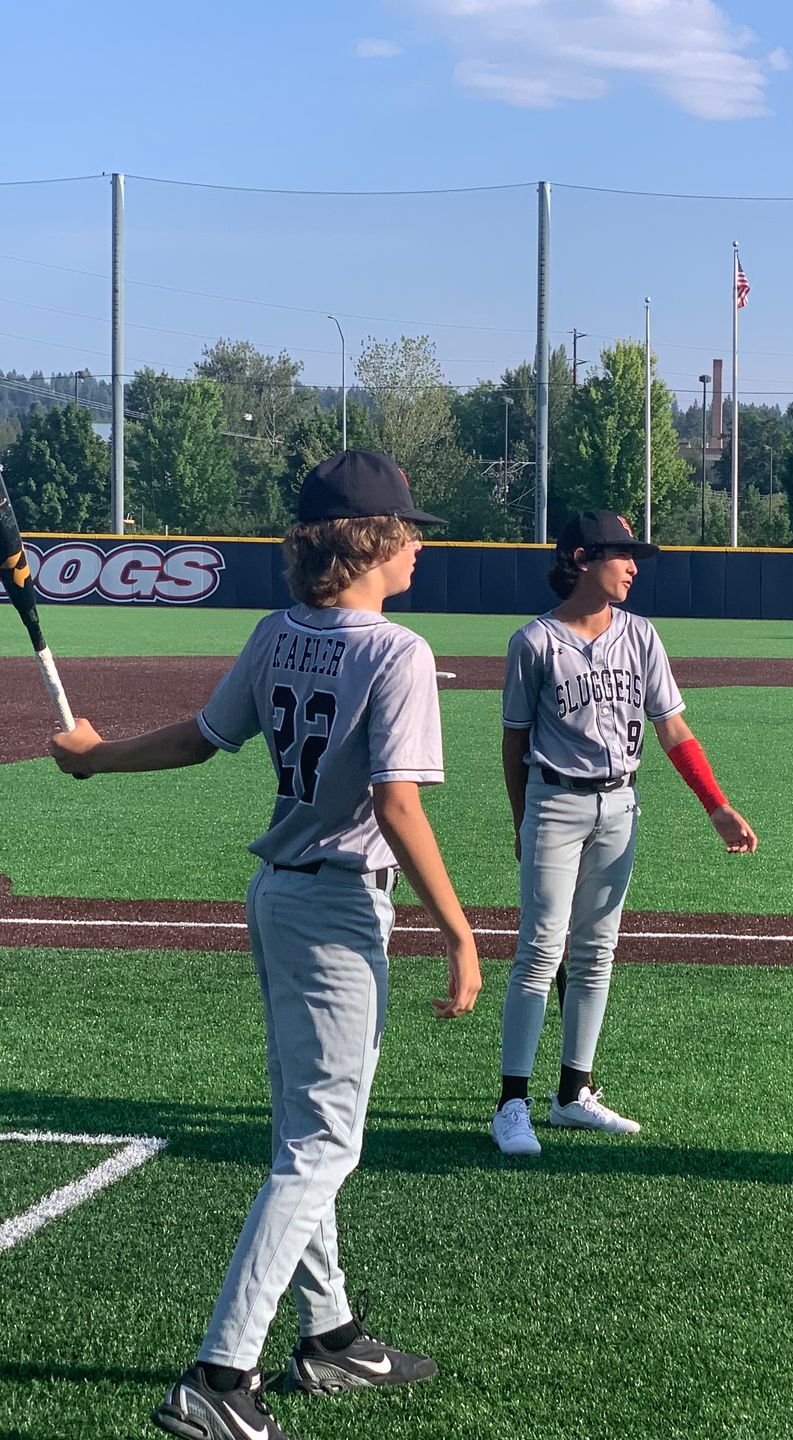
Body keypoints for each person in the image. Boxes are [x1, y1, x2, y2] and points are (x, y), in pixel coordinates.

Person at [52, 450, 482, 1440]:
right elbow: (398, 805)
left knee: (304, 1132)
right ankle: (219, 1375)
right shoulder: (398, 652)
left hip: (279, 899)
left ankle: (329, 1337)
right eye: (408, 530)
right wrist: (460, 935)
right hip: (337, 908)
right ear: (372, 541)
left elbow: (203, 738)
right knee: (324, 1147)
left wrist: (97, 759)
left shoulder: (277, 629)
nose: (418, 545)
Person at [490, 509, 758, 1158]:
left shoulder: (640, 635)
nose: (634, 566)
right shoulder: (534, 642)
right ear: (582, 559)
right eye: (622, 554)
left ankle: (573, 1093)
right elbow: (514, 743)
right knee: (540, 950)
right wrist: (523, 818)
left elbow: (674, 729)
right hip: (555, 802)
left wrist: (716, 805)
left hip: (620, 805)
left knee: (596, 952)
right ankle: (511, 1103)